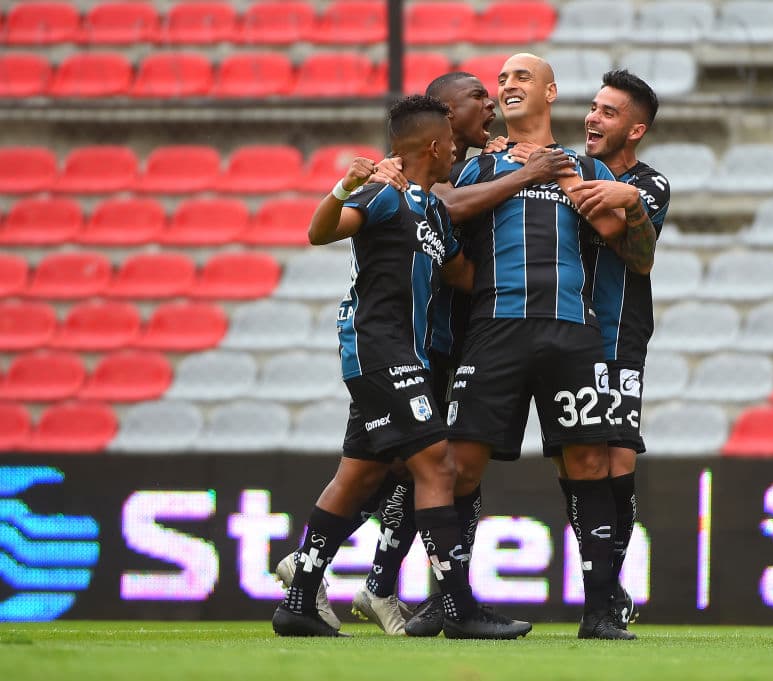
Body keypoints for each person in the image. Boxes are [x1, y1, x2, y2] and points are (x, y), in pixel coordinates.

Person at [271, 95, 529, 640]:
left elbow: (463, 275)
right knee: (437, 467)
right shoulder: (384, 195)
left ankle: (298, 601)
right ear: (434, 145)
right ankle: (460, 609)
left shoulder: (433, 210)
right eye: (451, 141)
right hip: (379, 350)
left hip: (405, 354)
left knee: (359, 473)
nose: (458, 146)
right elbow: (321, 232)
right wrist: (344, 185)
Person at [402, 53, 635, 641]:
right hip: (494, 328)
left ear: (551, 92)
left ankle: (600, 612)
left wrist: (615, 198)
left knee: (588, 462)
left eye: (520, 77)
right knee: (460, 464)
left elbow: (626, 243)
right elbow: (440, 207)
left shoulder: (584, 166)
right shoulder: (479, 166)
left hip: (570, 330)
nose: (506, 86)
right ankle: (451, 601)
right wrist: (525, 174)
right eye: (500, 79)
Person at [513, 70, 669, 632]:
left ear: (635, 129)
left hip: (621, 334)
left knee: (619, 459)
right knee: (575, 460)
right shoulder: (569, 172)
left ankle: (606, 589)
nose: (592, 119)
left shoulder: (652, 184)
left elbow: (640, 257)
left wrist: (629, 199)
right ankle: (604, 587)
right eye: (594, 108)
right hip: (567, 334)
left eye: (607, 112)